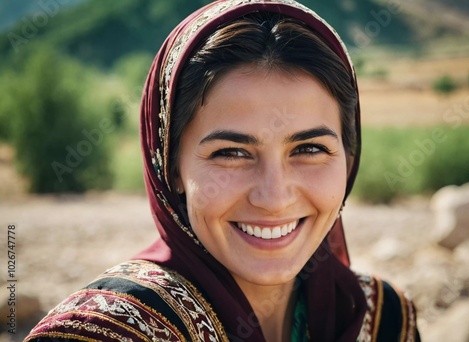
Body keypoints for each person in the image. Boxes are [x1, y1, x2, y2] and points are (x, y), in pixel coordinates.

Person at [25, 0, 420, 341]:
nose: (274, 197)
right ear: (171, 168)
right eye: (232, 153)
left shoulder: (383, 319)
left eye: (310, 148)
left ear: (349, 161)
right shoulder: (107, 332)